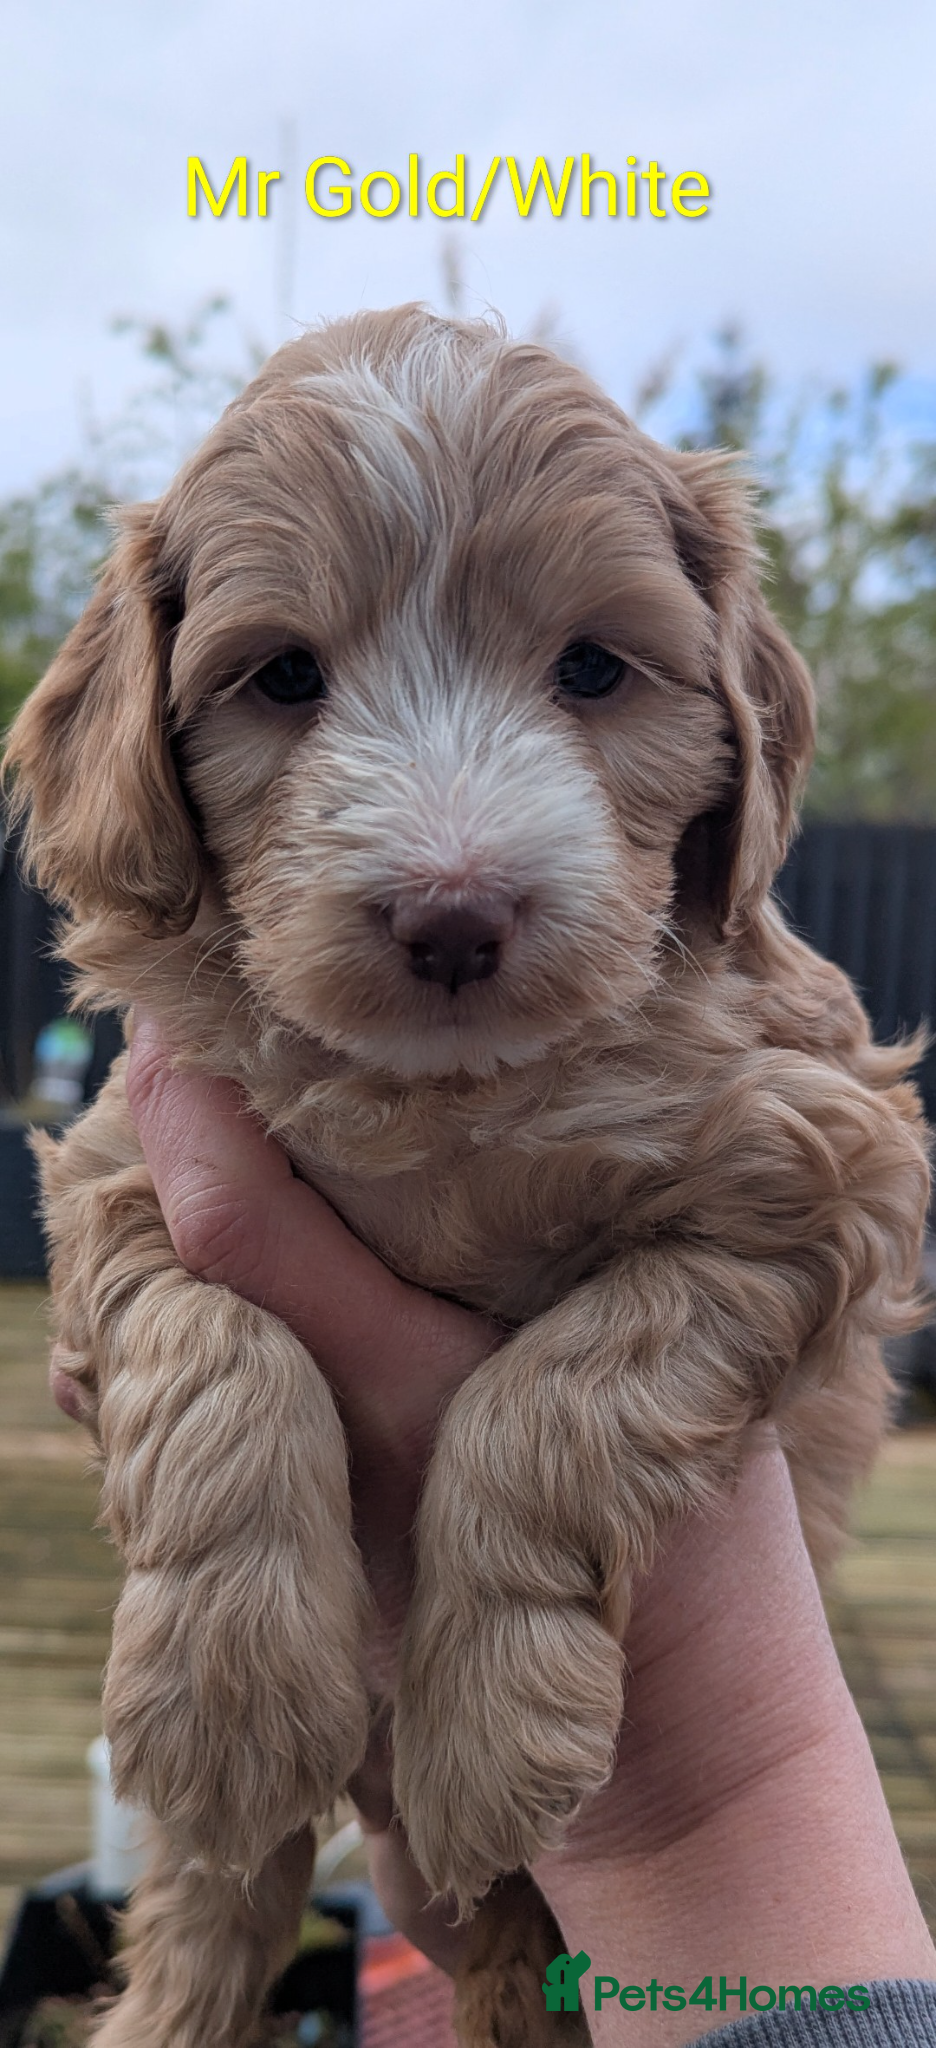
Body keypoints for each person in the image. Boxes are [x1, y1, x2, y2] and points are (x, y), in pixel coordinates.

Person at [52, 1019, 936, 2046]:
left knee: (524, 1978)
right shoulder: (198, 1016)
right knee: (214, 1921)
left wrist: (665, 1805)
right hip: (596, 1838)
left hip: (629, 1762)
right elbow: (119, 1204)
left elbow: (836, 1182)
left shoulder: (732, 1028)